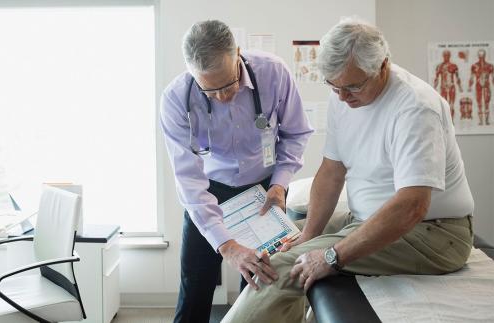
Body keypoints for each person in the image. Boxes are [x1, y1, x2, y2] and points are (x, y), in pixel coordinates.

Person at [222, 17, 474, 323]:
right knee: (283, 245)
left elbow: (412, 206)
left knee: (286, 265)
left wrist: (332, 256)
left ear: (383, 66)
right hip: (367, 217)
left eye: (353, 86)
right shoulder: (343, 96)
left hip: (433, 233)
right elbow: (331, 171)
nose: (342, 96)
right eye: (334, 85)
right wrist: (310, 235)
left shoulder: (415, 109)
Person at [159, 20, 313, 323]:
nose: (223, 97)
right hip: (209, 190)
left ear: (238, 54)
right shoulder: (176, 99)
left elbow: (296, 133)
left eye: (228, 84)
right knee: (195, 285)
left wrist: (280, 184)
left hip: (267, 187)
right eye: (209, 90)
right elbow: (188, 179)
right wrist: (227, 247)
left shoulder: (274, 73)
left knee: (259, 280)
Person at [433, 49, 463, 121]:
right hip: (443, 87)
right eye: (445, 55)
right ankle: (446, 121)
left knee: (451, 104)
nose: (446, 57)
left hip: (451, 86)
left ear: (449, 56)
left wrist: (460, 87)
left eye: (447, 55)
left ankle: (451, 121)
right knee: (444, 105)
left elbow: (457, 78)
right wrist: (434, 88)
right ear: (443, 56)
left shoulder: (454, 66)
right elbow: (436, 78)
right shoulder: (439, 66)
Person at [468, 49, 493, 125]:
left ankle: (487, 121)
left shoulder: (490, 66)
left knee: (487, 103)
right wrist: (469, 86)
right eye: (480, 55)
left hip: (486, 86)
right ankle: (481, 121)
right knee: (479, 103)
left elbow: (493, 77)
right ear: (478, 56)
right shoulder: (474, 66)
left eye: (482, 55)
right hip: (478, 86)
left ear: (485, 55)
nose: (481, 57)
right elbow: (472, 77)